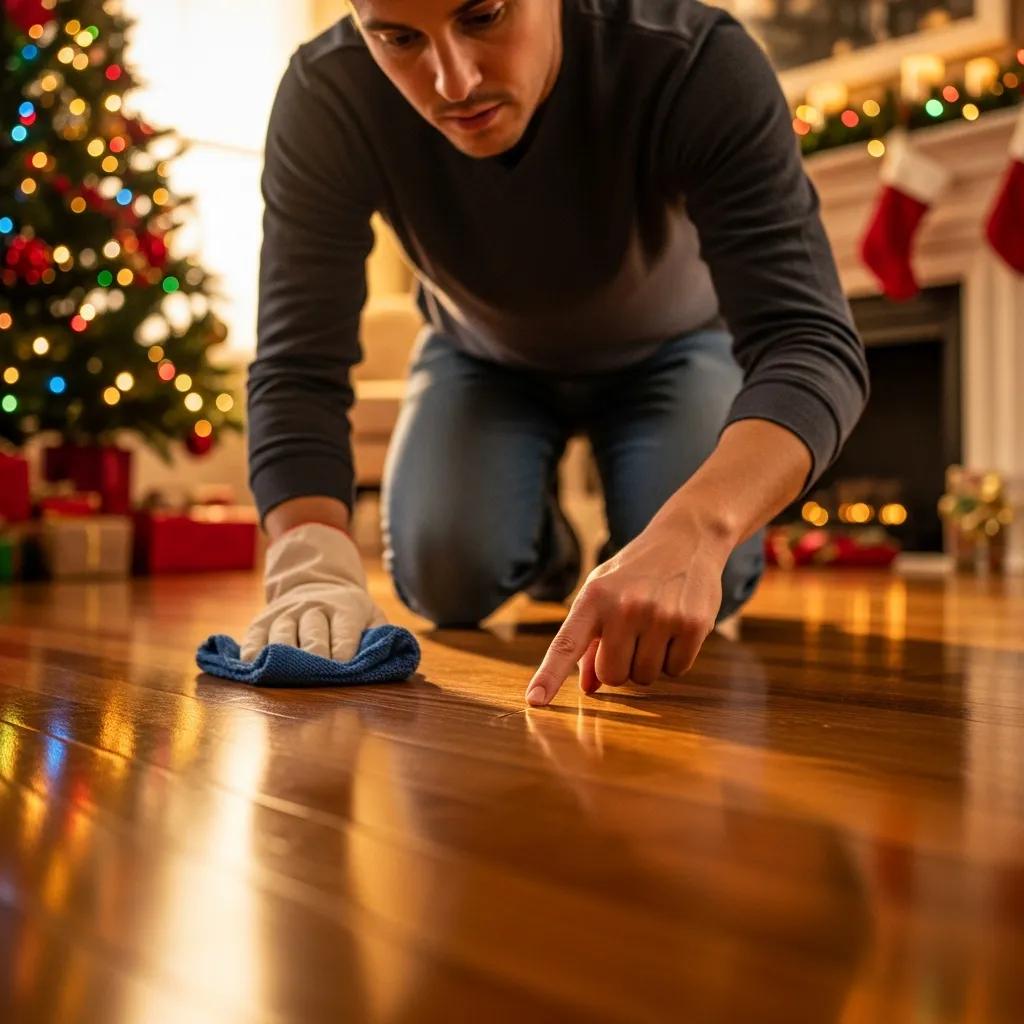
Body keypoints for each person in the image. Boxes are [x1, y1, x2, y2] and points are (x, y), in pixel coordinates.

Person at [241, 0, 869, 706]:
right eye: (398, 38)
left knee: (687, 593)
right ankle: (552, 551)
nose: (454, 82)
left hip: (677, 349)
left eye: (483, 16)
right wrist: (308, 559)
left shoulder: (694, 61)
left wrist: (701, 528)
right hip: (479, 358)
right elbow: (298, 361)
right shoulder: (328, 93)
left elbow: (809, 339)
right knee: (443, 575)